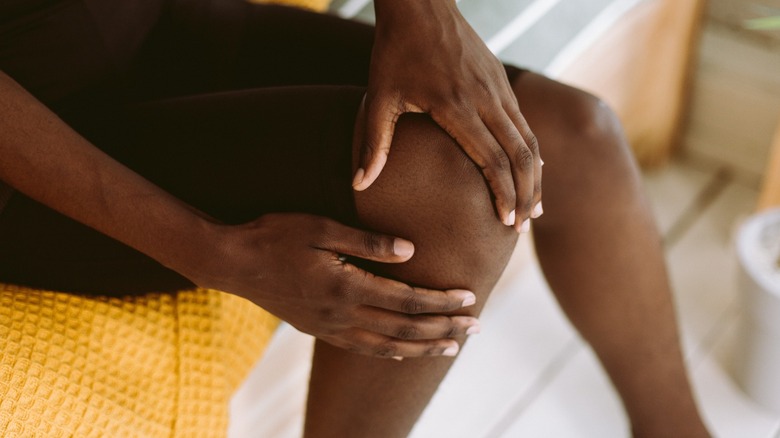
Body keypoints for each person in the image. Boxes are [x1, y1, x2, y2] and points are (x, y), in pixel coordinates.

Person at [0, 0, 710, 436]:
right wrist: (212, 250)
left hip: (147, 25)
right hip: (28, 145)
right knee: (456, 197)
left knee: (577, 134)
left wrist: (422, 13)